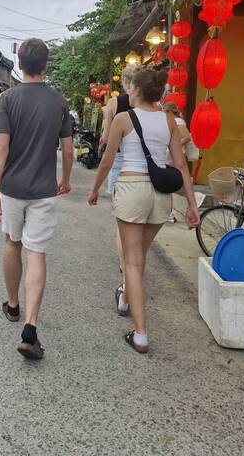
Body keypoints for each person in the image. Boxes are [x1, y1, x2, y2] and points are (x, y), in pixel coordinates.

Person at [87, 68, 200, 354]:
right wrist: (192, 205)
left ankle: (140, 333)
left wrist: (95, 189)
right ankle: (125, 298)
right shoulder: (169, 121)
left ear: (135, 89)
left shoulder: (124, 119)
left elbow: (107, 160)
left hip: (132, 189)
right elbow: (181, 165)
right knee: (139, 256)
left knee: (133, 262)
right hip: (161, 196)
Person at [0, 38, 74, 360]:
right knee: (36, 251)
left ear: (20, 65)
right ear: (46, 65)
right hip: (43, 190)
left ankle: (13, 306)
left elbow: (1, 147)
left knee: (12, 244)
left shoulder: (7, 98)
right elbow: (67, 149)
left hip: (12, 188)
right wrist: (64, 180)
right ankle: (30, 326)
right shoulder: (59, 101)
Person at [99, 64, 139, 314]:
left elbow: (105, 139)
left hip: (121, 164)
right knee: (138, 227)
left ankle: (126, 271)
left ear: (124, 82)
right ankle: (134, 269)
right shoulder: (152, 105)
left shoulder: (115, 104)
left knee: (120, 224)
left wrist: (106, 117)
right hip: (145, 167)